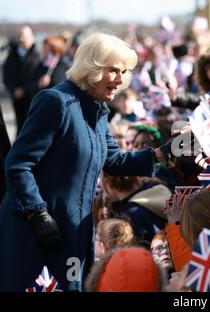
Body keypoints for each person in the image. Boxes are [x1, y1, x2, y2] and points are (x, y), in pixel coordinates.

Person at [0, 32, 167, 292]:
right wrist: (38, 214)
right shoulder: (55, 102)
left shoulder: (98, 109)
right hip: (36, 233)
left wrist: (164, 153)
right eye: (113, 71)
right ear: (92, 68)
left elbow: (114, 159)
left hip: (73, 232)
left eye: (124, 72)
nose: (121, 80)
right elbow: (18, 164)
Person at [2, 25, 40, 134]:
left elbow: (37, 77)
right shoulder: (12, 54)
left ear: (32, 38)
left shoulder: (36, 55)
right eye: (20, 35)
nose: (21, 38)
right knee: (19, 124)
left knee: (31, 125)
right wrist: (13, 89)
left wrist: (24, 89)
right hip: (16, 97)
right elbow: (6, 74)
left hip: (32, 96)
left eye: (24, 36)